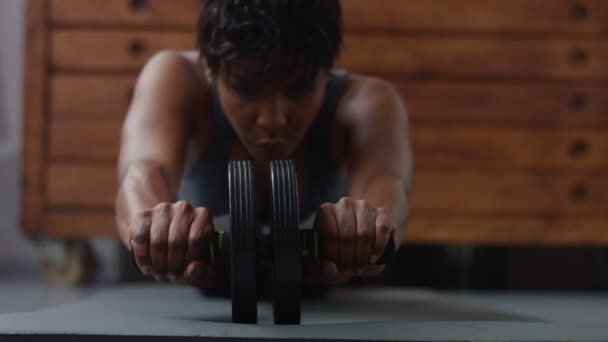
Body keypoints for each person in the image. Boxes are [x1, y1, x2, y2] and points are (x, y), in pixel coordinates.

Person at [115, 0, 413, 292]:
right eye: (245, 89)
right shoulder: (176, 79)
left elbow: (386, 187)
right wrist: (153, 230)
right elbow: (143, 171)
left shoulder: (365, 104)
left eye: (300, 89)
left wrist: (370, 230)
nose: (272, 120)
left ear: (326, 69)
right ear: (209, 66)